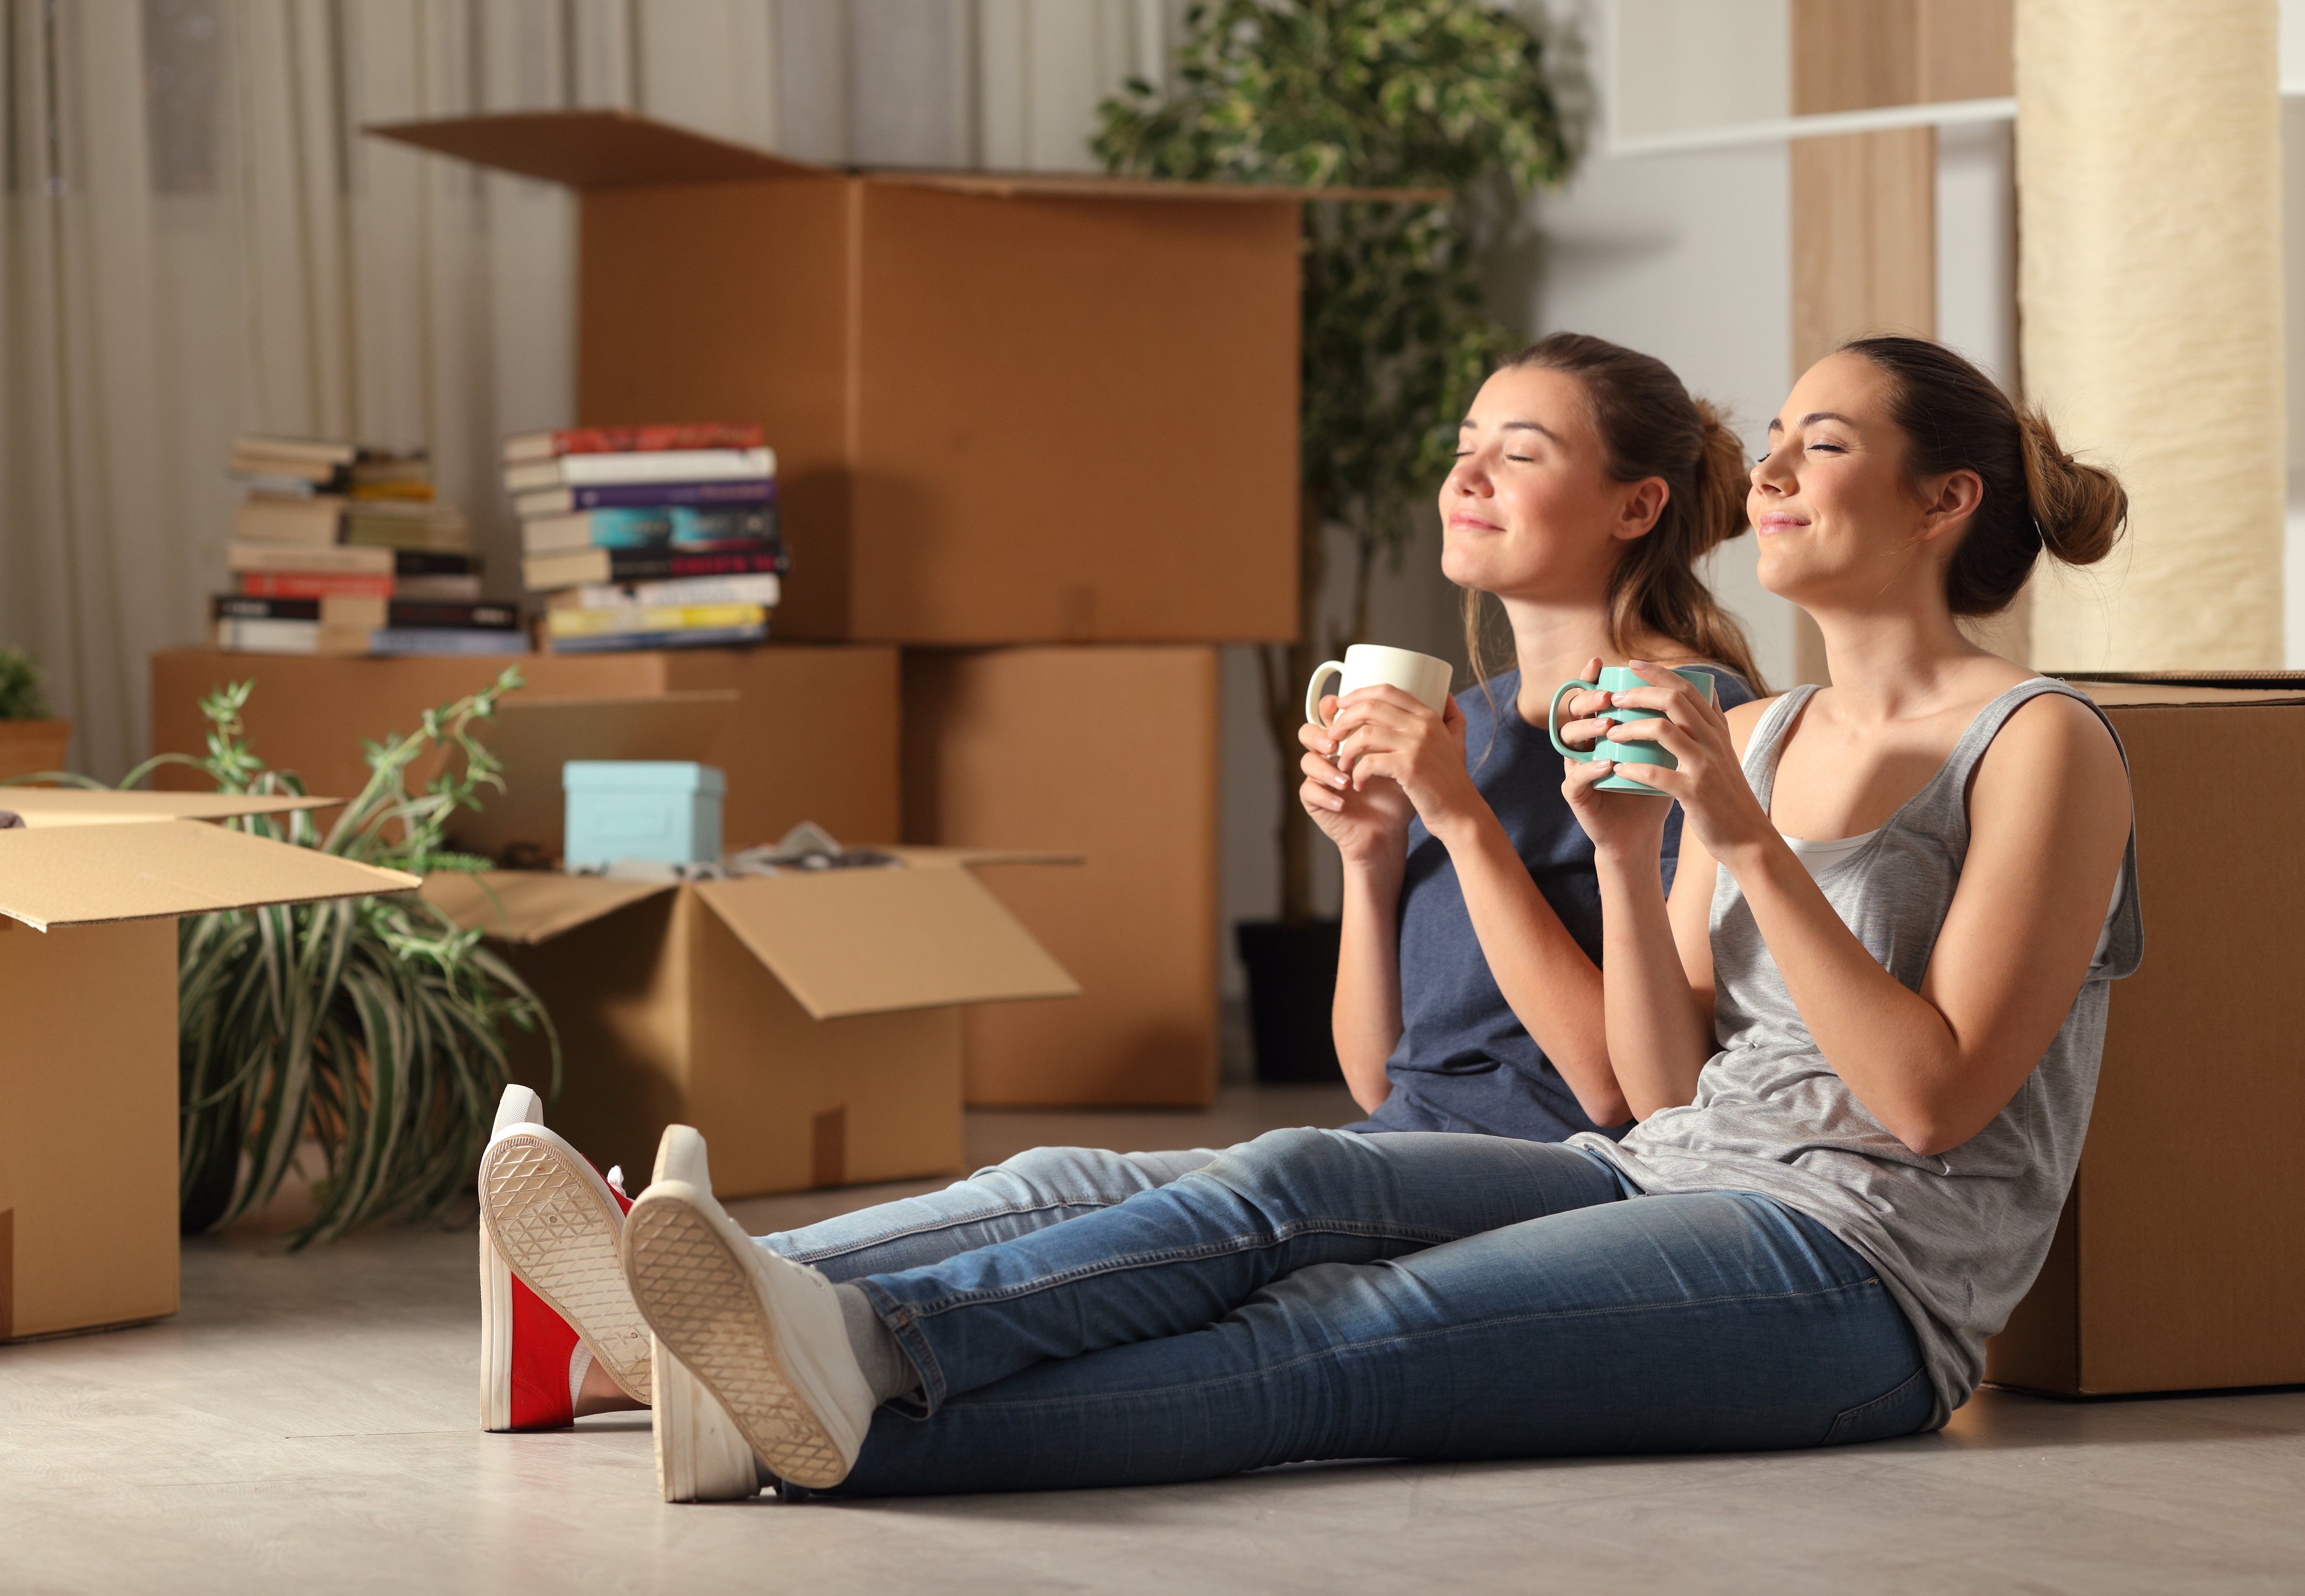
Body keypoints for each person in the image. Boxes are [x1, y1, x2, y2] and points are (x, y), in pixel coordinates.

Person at [607, 333, 2141, 1497]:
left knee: (1345, 1339)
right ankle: (832, 1329)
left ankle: (829, 1421)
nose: (1781, 475)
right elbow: (1664, 1090)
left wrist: (1737, 843)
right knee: (1283, 1177)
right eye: (1782, 446)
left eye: (1824, 445)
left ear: (1945, 500)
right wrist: (1627, 844)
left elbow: (1934, 1100)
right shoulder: (1756, 734)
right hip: (1659, 1171)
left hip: (1863, 1274)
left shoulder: (2040, 743)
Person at [478, 335, 1760, 1473]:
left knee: (1249, 1187)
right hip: (1395, 1151)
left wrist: (1456, 820)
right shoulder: (1463, 724)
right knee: (1067, 1172)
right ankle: (641, 1308)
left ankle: (702, 1312)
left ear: (1634, 505)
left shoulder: (1681, 720)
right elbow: (1383, 1078)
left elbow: (1622, 1093)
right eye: (1464, 446)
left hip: (1557, 1184)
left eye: (1518, 453)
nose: (1465, 478)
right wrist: (1368, 860)